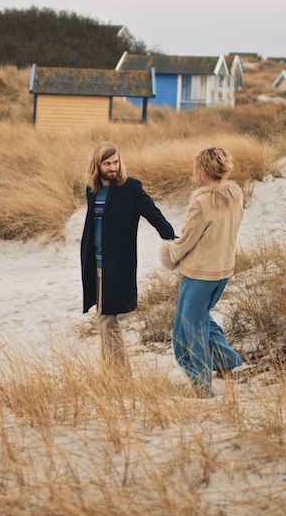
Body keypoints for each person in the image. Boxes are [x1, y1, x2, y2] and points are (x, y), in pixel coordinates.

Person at [81, 142, 175, 375]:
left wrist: (171, 236)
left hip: (117, 264)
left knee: (106, 319)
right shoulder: (92, 190)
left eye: (115, 163)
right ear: (98, 165)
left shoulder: (130, 188)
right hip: (94, 262)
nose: (113, 168)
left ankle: (119, 375)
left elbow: (152, 212)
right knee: (104, 317)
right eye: (107, 164)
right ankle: (114, 372)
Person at [160, 147, 245, 397]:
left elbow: (186, 240)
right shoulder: (235, 194)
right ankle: (227, 362)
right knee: (200, 318)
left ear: (203, 169)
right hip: (223, 269)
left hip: (200, 274)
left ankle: (201, 383)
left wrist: (170, 254)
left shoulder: (203, 202)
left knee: (187, 328)